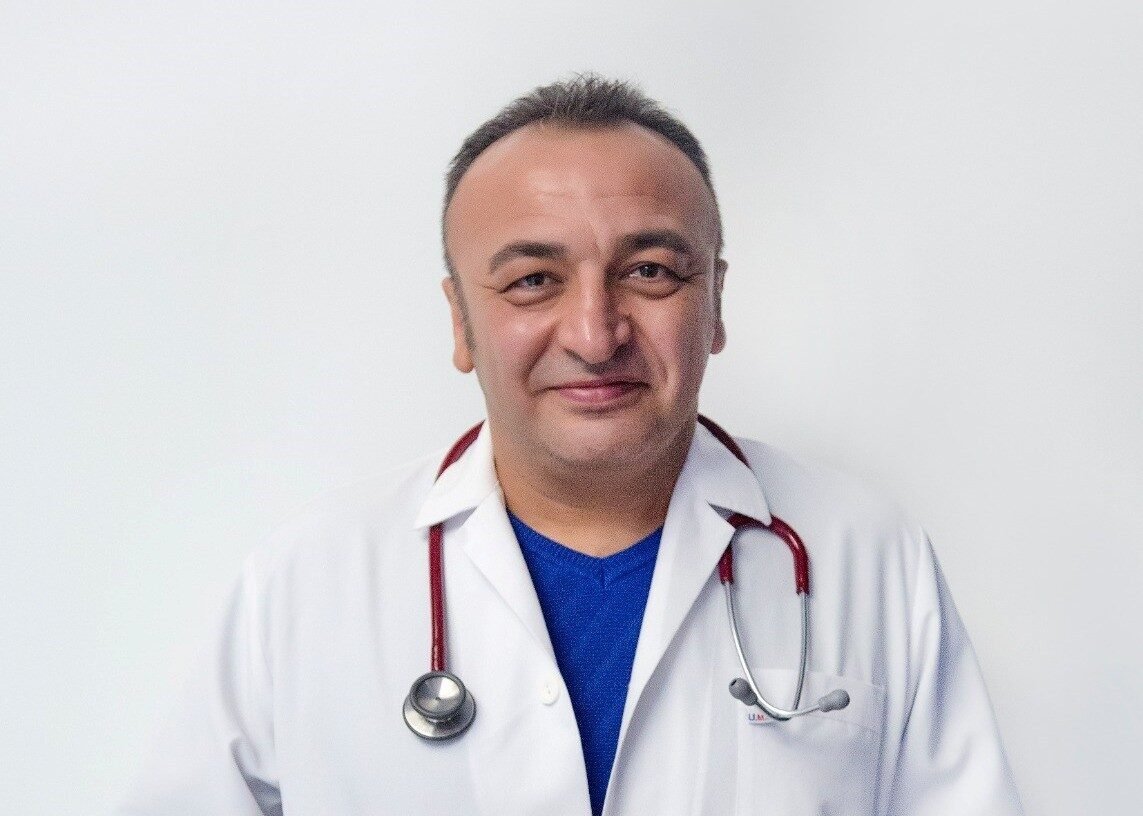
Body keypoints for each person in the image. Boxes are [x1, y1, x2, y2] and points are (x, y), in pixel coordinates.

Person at [115, 74, 1024, 815]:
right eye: (533, 281)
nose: (595, 333)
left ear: (714, 304)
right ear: (460, 322)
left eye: (649, 272)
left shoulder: (864, 552)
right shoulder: (307, 583)